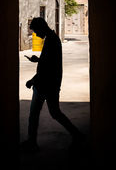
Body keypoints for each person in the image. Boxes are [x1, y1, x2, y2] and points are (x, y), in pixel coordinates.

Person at [20, 17, 83, 152]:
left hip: (45, 85)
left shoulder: (52, 41)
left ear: (42, 27)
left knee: (35, 114)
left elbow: (47, 68)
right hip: (51, 84)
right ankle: (77, 135)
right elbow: (48, 62)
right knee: (55, 113)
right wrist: (39, 60)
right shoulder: (52, 39)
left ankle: (32, 142)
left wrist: (32, 80)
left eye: (36, 31)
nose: (36, 34)